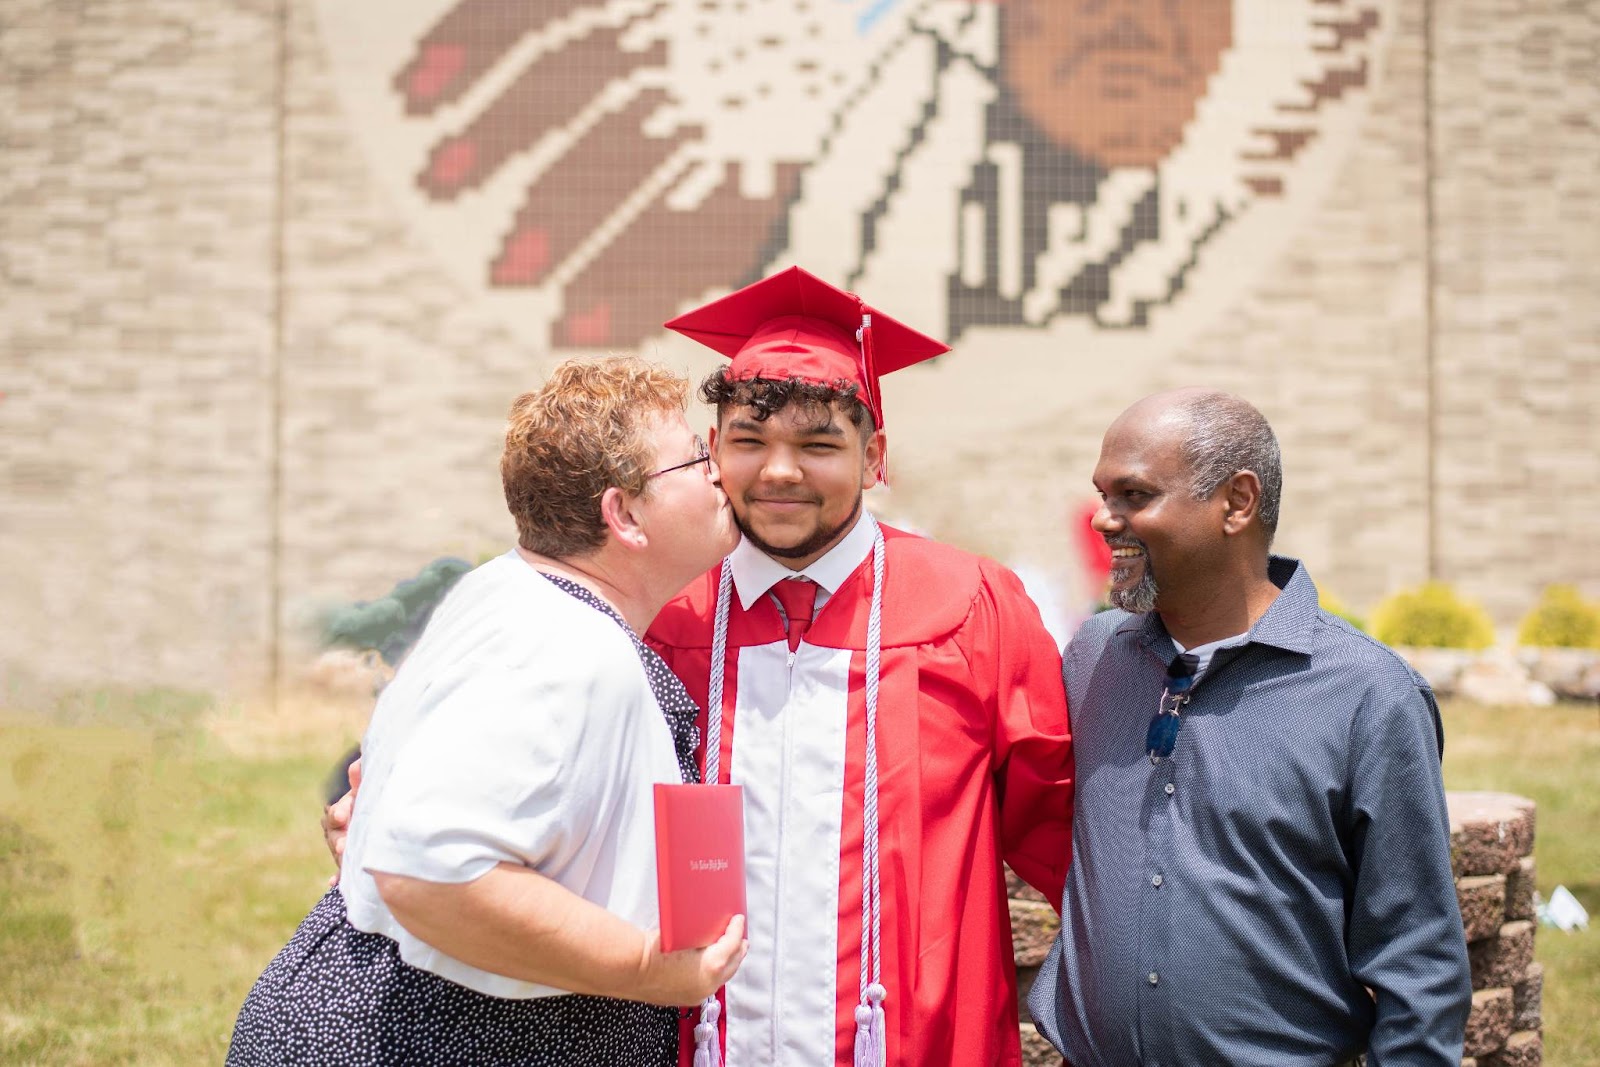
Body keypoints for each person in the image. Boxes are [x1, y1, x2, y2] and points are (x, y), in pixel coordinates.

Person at [230, 356, 747, 1066]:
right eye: (694, 456)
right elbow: (430, 863)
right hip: (423, 1034)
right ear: (623, 515)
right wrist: (644, 966)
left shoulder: (507, 594)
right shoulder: (564, 643)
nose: (719, 469)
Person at [645, 266, 1075, 1066]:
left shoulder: (971, 606)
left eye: (818, 444)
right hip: (701, 1038)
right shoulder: (669, 613)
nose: (779, 471)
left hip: (915, 1039)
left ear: (874, 455)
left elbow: (1063, 823)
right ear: (713, 451)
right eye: (750, 440)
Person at [1027, 389, 1472, 1066]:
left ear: (1236, 502)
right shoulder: (1093, 659)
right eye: (1102, 493)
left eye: (1133, 495)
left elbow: (1422, 974)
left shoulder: (1367, 696)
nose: (1100, 518)